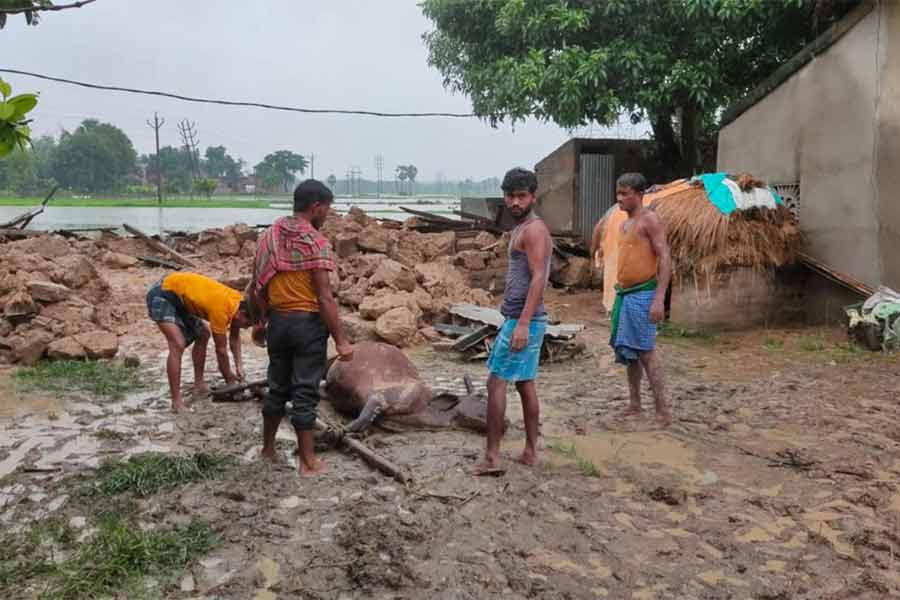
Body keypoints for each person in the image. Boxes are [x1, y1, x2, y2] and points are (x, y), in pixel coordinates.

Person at [251, 179, 354, 476]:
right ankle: (308, 462)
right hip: (307, 324)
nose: (327, 215)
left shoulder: (269, 237)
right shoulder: (315, 242)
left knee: (277, 387)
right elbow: (324, 297)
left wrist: (260, 321)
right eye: (327, 210)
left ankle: (268, 449)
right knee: (305, 392)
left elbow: (255, 285)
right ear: (316, 206)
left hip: (279, 324)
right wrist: (342, 341)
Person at [475, 168, 552, 475]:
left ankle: (493, 457)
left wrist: (522, 323)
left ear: (533, 196)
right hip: (525, 317)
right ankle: (531, 451)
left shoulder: (533, 230)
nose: (516, 202)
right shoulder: (522, 229)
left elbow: (538, 279)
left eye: (522, 196)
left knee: (496, 382)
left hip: (526, 319)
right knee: (524, 382)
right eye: (511, 196)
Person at [608, 172, 672, 426]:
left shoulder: (650, 220)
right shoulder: (624, 223)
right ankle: (635, 403)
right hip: (625, 295)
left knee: (647, 353)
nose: (619, 198)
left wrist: (659, 299)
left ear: (639, 194)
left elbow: (665, 258)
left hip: (644, 295)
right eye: (618, 193)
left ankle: (663, 410)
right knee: (630, 353)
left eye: (625, 194)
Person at [146, 272, 253, 413]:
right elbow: (221, 350)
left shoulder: (237, 303)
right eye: (247, 324)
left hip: (181, 298)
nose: (246, 327)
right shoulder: (221, 310)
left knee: (203, 334)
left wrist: (239, 366)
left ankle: (199, 386)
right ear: (241, 314)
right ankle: (176, 403)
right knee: (177, 344)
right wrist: (230, 381)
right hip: (163, 293)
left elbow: (234, 338)